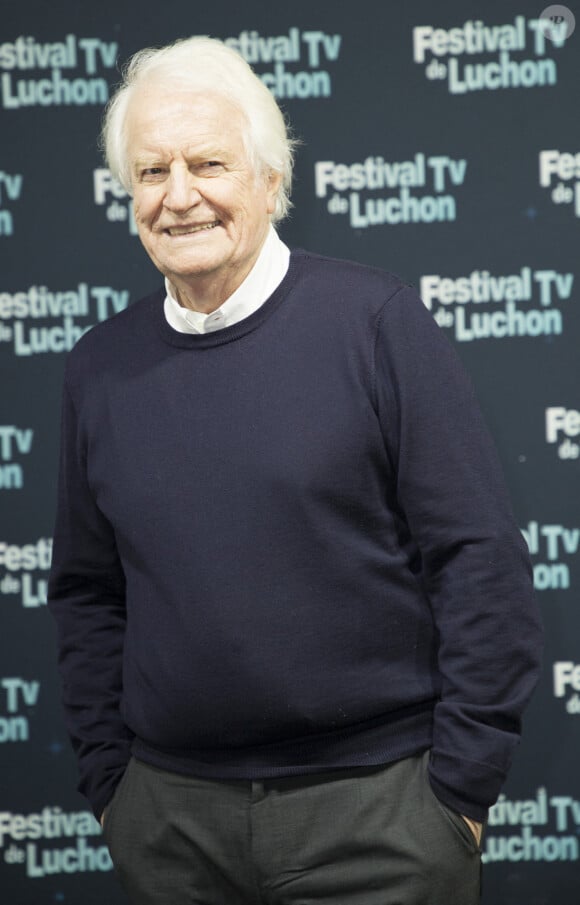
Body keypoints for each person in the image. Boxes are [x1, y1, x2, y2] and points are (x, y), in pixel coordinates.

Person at [48, 35, 543, 905]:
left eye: (208, 163)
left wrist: (457, 795)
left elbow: (479, 561)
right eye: (152, 172)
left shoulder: (377, 324)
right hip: (169, 826)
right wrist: (113, 788)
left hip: (379, 817)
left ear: (271, 182)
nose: (180, 195)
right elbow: (88, 592)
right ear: (129, 196)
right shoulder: (99, 368)